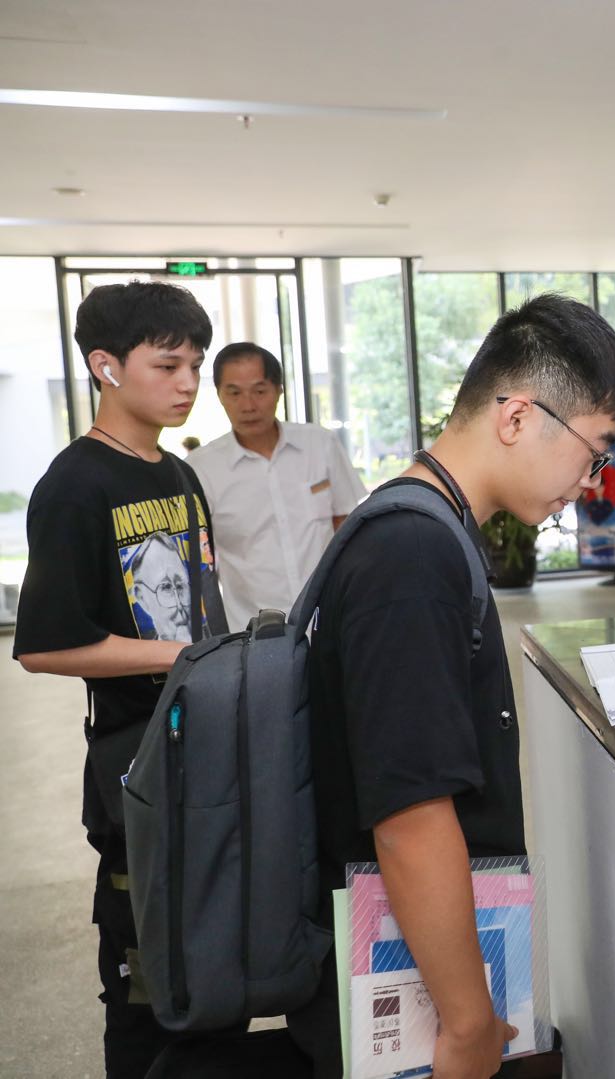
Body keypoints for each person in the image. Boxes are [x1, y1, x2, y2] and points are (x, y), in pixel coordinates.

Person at [285, 293, 615, 1078]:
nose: (592, 480)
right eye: (595, 451)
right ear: (517, 417)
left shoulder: (424, 528)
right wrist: (469, 1018)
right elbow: (410, 818)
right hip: (398, 989)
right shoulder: (411, 556)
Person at [12, 281, 225, 1078]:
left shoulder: (179, 473)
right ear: (106, 366)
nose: (188, 382)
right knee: (144, 982)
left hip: (206, 752)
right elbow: (44, 645)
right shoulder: (75, 485)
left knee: (210, 966)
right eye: (167, 365)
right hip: (135, 768)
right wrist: (178, 657)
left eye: (194, 365)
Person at [188, 342, 368, 629]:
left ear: (279, 391)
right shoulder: (201, 468)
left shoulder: (320, 444)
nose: (248, 405)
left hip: (330, 619)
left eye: (260, 391)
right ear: (219, 395)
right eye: (234, 393)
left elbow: (346, 525)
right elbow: (201, 560)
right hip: (253, 630)